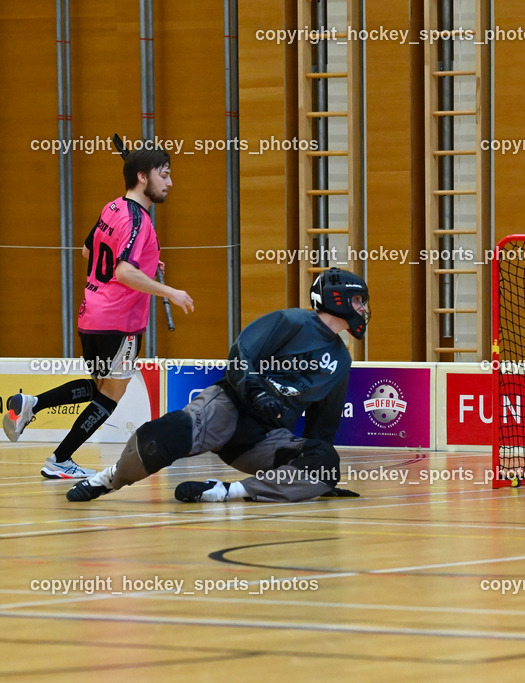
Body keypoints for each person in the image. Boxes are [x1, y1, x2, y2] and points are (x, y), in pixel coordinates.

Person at [66, 268, 368, 504]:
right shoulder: (292, 322)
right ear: (336, 297)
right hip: (228, 408)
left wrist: (318, 483)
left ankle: (226, 492)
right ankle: (110, 478)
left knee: (325, 464)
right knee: (160, 438)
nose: (363, 309)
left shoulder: (341, 359)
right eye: (358, 301)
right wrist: (257, 392)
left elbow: (324, 422)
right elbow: (240, 356)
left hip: (263, 440)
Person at [3, 147, 194, 479]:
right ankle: (59, 459)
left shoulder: (113, 208)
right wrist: (169, 291)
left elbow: (87, 250)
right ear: (142, 176)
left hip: (91, 314)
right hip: (121, 322)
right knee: (111, 396)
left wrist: (145, 261)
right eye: (164, 174)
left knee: (101, 388)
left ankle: (33, 403)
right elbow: (123, 272)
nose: (170, 182)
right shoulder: (140, 220)